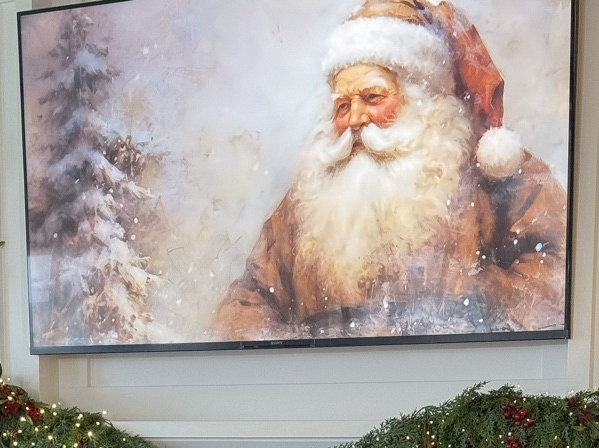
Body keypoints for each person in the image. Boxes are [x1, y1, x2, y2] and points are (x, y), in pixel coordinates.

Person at [214, 0, 567, 342]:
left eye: (372, 98)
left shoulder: (496, 175)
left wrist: (467, 301)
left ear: (421, 98)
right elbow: (248, 300)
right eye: (342, 106)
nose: (354, 119)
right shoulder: (308, 200)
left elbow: (557, 272)